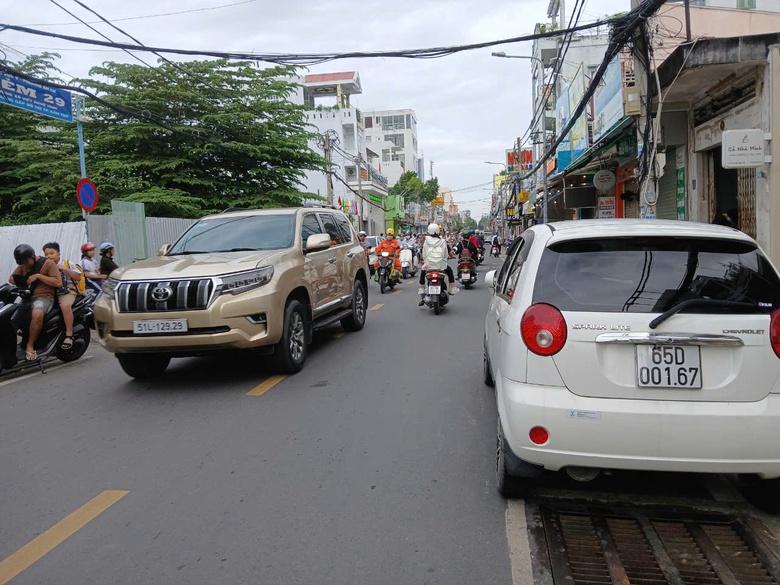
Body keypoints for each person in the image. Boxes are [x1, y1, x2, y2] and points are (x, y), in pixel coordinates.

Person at [9, 244, 62, 361]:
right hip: (28, 298)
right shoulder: (23, 265)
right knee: (12, 319)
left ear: (33, 256)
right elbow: (11, 279)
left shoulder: (48, 263)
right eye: (23, 263)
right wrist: (20, 280)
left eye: (27, 262)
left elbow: (58, 282)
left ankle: (30, 345)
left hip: (44, 297)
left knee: (37, 314)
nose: (25, 265)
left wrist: (38, 276)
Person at [43, 242, 82, 350]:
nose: (49, 256)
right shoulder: (45, 265)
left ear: (58, 254)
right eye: (46, 254)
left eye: (52, 253)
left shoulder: (67, 263)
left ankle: (69, 335)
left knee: (65, 306)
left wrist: (65, 269)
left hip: (68, 289)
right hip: (52, 289)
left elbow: (78, 278)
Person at [418, 223, 458, 305]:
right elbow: (445, 254)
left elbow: (424, 253)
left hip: (429, 266)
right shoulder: (442, 241)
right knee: (450, 271)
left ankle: (421, 289)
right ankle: (452, 288)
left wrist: (425, 261)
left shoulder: (426, 241)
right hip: (441, 266)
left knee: (422, 272)